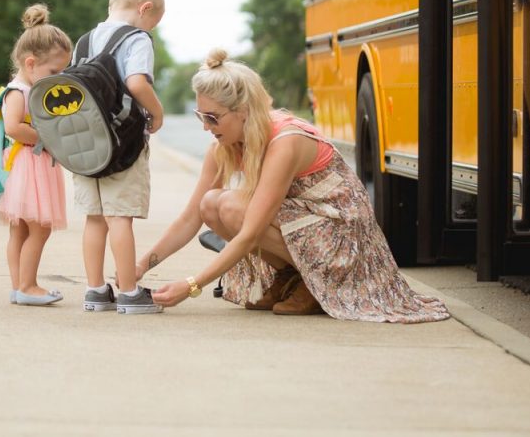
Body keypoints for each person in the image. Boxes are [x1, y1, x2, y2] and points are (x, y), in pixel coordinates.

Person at [140, 49, 450, 323]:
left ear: (243, 111)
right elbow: (191, 217)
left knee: (232, 206)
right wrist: (141, 266)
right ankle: (293, 277)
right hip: (305, 226)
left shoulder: (284, 142)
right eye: (200, 116)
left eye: (212, 117)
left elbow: (249, 233)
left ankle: (314, 285)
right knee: (210, 203)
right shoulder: (225, 145)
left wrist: (191, 286)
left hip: (342, 237)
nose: (206, 126)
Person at [77, 0, 167, 314]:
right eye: (153, 22)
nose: (151, 30)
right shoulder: (136, 39)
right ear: (145, 9)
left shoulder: (84, 40)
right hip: (121, 146)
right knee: (120, 217)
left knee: (95, 217)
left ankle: (96, 290)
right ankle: (129, 292)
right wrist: (156, 114)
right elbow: (137, 83)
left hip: (85, 145)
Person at [0, 4, 73, 306]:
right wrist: (46, 138)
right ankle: (27, 286)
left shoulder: (35, 90)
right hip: (29, 165)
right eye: (54, 71)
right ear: (30, 63)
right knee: (38, 230)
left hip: (32, 165)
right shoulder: (19, 91)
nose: (59, 77)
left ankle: (19, 287)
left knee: (22, 230)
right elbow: (13, 127)